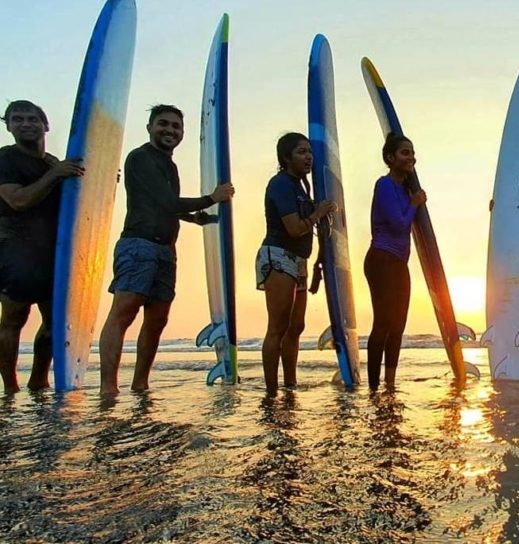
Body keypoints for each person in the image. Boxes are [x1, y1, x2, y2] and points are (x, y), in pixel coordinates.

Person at [98, 105, 233, 395]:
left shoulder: (169, 165)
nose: (170, 130)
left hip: (165, 250)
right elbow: (166, 202)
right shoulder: (140, 158)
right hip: (139, 245)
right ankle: (108, 387)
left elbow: (163, 202)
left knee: (158, 319)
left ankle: (140, 383)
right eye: (163, 124)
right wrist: (211, 198)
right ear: (149, 127)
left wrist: (193, 217)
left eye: (176, 126)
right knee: (125, 310)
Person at [0, 101, 84, 393]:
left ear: (45, 125)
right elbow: (18, 200)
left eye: (33, 118)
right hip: (15, 247)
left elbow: (72, 202)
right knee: (14, 317)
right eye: (17, 119)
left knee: (54, 322)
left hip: (54, 251)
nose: (26, 124)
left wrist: (94, 182)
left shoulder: (53, 163)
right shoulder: (6, 159)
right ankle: (10, 387)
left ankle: (39, 381)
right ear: (8, 126)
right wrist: (55, 175)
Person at [258, 132, 336, 396]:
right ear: (286, 158)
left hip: (299, 261)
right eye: (302, 152)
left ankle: (289, 385)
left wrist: (317, 265)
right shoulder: (280, 184)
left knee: (296, 326)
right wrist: (318, 212)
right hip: (278, 256)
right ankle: (271, 391)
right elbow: (293, 228)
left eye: (310, 152)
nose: (308, 157)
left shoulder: (301, 186)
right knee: (278, 327)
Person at [364, 132, 425, 390]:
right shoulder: (385, 185)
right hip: (381, 259)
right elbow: (400, 224)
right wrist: (414, 203)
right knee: (384, 322)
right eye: (404, 152)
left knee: (398, 324)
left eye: (412, 152)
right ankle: (373, 386)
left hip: (399, 262)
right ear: (390, 158)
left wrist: (412, 199)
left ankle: (390, 384)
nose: (411, 157)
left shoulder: (404, 188)